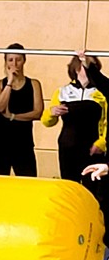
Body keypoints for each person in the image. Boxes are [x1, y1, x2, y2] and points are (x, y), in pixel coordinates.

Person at [42, 55, 106, 183]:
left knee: (93, 185)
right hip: (68, 146)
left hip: (93, 147)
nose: (89, 69)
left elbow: (106, 121)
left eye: (92, 66)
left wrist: (102, 143)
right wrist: (51, 113)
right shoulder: (62, 91)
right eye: (85, 66)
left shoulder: (103, 92)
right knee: (69, 185)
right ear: (76, 69)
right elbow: (46, 122)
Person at [0, 43, 44, 176]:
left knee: (28, 181)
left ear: (24, 60)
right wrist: (9, 82)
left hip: (23, 142)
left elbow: (38, 113)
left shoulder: (34, 84)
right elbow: (0, 106)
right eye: (10, 60)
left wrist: (13, 116)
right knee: (0, 182)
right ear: (5, 62)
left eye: (18, 60)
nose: (14, 64)